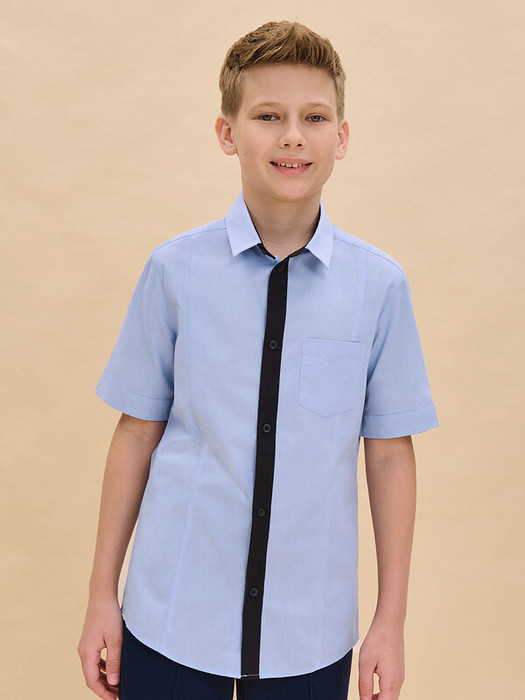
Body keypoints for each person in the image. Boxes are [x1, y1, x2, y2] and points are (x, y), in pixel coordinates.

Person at [78, 20, 438, 700]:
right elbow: (136, 433)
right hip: (171, 617)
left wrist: (389, 621)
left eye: (314, 117)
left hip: (310, 635)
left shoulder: (379, 288)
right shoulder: (174, 272)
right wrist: (102, 594)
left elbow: (390, 453)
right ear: (227, 133)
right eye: (268, 116)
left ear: (342, 136)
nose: (292, 136)